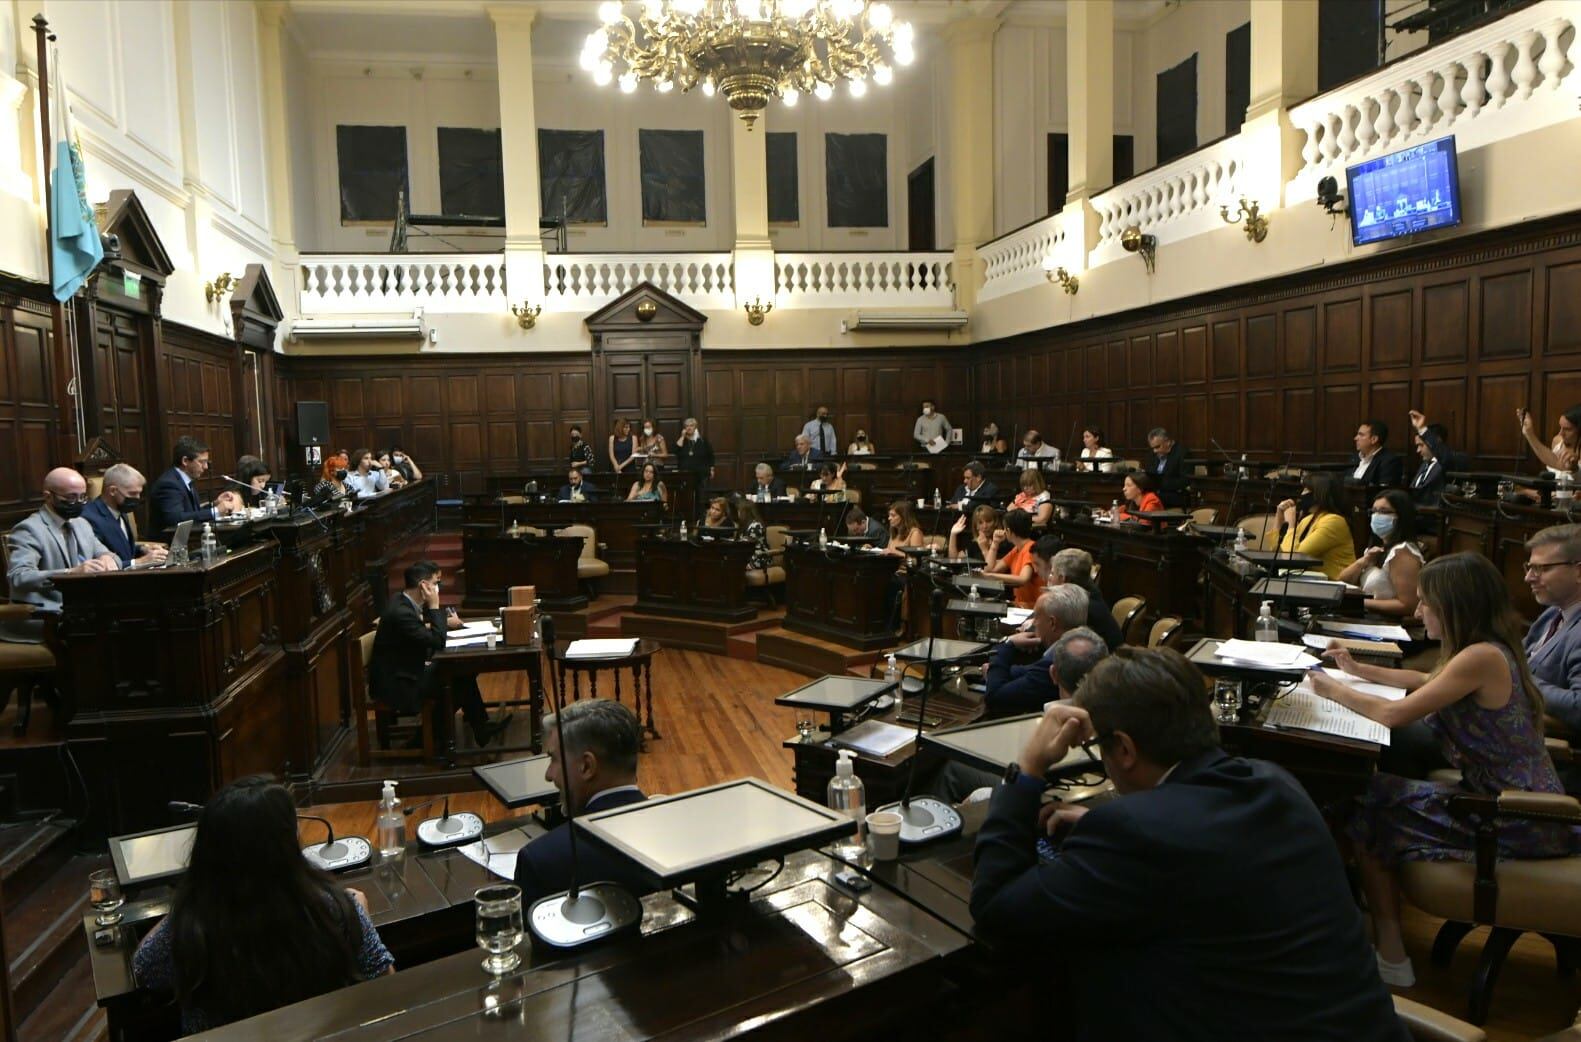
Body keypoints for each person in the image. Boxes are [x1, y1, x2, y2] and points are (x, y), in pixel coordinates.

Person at [972, 649, 1409, 1042]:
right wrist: (1105, 826)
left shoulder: (1133, 832)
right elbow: (1204, 854)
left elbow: (996, 905)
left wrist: (1028, 769)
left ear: (1123, 749)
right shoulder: (1275, 782)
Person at [1314, 553, 1578, 987]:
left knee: (1362, 802)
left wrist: (1330, 687)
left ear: (1454, 605)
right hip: (1510, 804)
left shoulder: (1480, 657)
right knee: (1368, 792)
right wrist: (1356, 669)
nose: (1418, 611)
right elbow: (1425, 683)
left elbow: (1390, 715)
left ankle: (1391, 952)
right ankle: (1378, 935)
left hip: (1520, 818)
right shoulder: (1483, 651)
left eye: (1425, 602)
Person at [131, 776, 393, 1034]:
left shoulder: (193, 925)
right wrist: (360, 918)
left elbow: (144, 968)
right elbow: (388, 988)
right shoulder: (334, 908)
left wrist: (191, 898)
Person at [513, 699, 651, 907]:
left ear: (587, 766)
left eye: (554, 760)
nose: (548, 775)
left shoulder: (541, 860)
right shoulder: (680, 831)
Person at [368, 561, 509, 748]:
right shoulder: (401, 611)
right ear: (424, 586)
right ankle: (422, 741)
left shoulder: (403, 602)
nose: (438, 588)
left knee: (462, 673)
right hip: (397, 684)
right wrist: (434, 606)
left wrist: (439, 618)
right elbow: (437, 641)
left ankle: (479, 728)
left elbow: (424, 634)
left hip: (405, 672)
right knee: (455, 682)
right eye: (436, 583)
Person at [2, 468, 121, 642]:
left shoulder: (81, 524)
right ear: (48, 496)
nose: (79, 503)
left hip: (80, 611)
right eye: (71, 498)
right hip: (44, 616)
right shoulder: (29, 530)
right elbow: (19, 577)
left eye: (83, 497)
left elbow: (108, 554)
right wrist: (70, 573)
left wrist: (108, 558)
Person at [984, 585, 1089, 718]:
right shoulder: (1086, 643)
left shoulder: (1055, 663)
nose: (1033, 623)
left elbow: (995, 698)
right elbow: (1029, 672)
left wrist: (1007, 644)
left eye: (1037, 617)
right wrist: (997, 672)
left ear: (1052, 623)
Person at [1524, 525, 1581, 737]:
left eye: (1542, 568)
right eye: (1529, 567)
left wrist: (1519, 679)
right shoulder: (1553, 612)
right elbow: (1515, 655)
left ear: (1579, 572)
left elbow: (1578, 707)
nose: (1529, 577)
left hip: (1540, 748)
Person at [1337, 490, 1424, 617]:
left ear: (1401, 516)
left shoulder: (1403, 553)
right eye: (1374, 511)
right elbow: (1343, 581)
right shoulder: (1377, 549)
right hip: (1369, 617)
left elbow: (1409, 606)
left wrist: (1362, 603)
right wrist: (1363, 561)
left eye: (1384, 511)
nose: (1377, 516)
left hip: (1390, 624)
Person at [148, 436, 242, 534]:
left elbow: (192, 512)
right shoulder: (169, 484)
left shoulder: (186, 480)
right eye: (202, 462)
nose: (205, 467)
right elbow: (175, 519)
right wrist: (216, 511)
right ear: (185, 461)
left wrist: (215, 503)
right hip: (167, 544)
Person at [83, 464, 168, 568]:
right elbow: (100, 565)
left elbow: (123, 550)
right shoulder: (89, 518)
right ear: (112, 491)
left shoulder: (120, 510)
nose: (137, 498)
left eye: (139, 493)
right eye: (132, 494)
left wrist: (143, 549)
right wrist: (141, 562)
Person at [1275, 471, 1357, 580]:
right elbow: (1276, 549)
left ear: (1318, 493)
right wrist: (1279, 515)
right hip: (1308, 579)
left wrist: (1291, 524)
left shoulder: (1334, 521)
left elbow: (1296, 556)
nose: (1302, 494)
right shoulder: (1309, 519)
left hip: (1333, 584)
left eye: (1306, 489)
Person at [1042, 543, 1125, 650]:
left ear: (1063, 579)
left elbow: (1059, 644)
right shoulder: (1089, 592)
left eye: (1052, 573)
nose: (1049, 578)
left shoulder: (1081, 607)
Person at [984, 509, 1041, 609]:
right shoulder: (1017, 549)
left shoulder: (1030, 549)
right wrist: (995, 544)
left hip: (1032, 607)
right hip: (1019, 605)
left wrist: (990, 576)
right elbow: (990, 568)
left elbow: (1023, 579)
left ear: (1009, 531)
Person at [1519, 404, 1581, 477]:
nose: (1561, 433)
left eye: (1567, 429)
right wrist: (1529, 433)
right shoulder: (1557, 441)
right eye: (1560, 427)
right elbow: (1555, 463)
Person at [1406, 410, 1451, 507]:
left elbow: (1441, 453)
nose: (1418, 450)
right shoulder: (1425, 465)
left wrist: (1422, 429)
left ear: (1437, 441)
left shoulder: (1446, 461)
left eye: (1421, 445)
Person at [1351, 420, 1404, 487]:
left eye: (1361, 435)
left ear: (1374, 439)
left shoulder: (1389, 461)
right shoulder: (1354, 458)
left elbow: (1384, 491)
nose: (1355, 438)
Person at [1146, 427, 1189, 508]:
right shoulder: (1154, 454)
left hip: (1174, 495)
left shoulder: (1182, 453)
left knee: (1148, 499)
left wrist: (1160, 483)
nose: (1155, 451)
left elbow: (1185, 481)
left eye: (1157, 447)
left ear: (1168, 442)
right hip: (1156, 492)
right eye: (1153, 448)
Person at [733, 500, 774, 571]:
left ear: (745, 512)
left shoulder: (756, 526)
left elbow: (749, 546)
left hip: (759, 558)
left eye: (739, 511)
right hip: (748, 557)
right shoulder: (744, 526)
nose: (738, 513)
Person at [674, 418, 714, 485]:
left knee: (700, 493)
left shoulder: (702, 441)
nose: (689, 428)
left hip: (701, 472)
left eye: (691, 426)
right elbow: (676, 450)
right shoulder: (682, 440)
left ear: (695, 427)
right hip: (685, 473)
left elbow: (711, 455)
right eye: (687, 426)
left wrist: (712, 469)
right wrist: (682, 436)